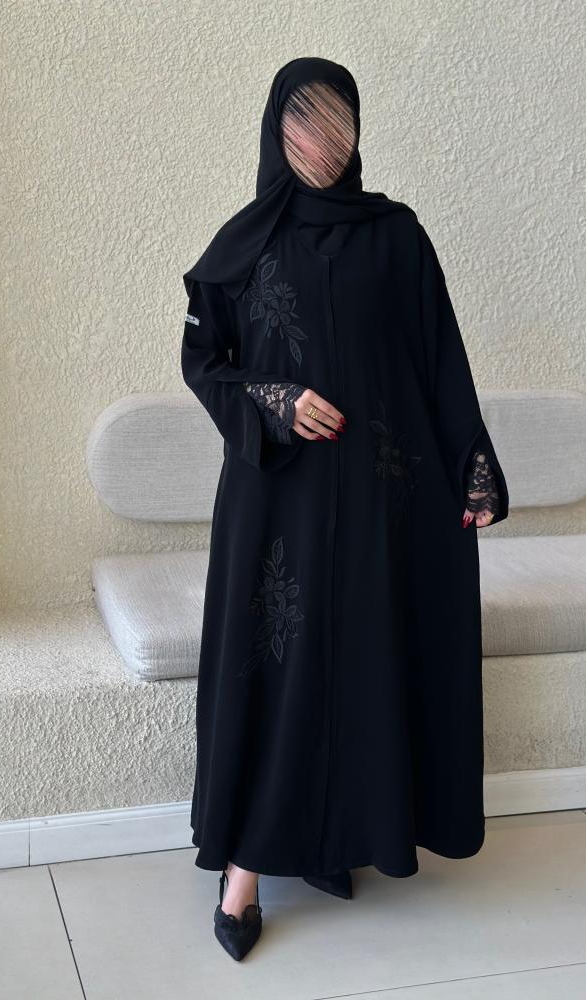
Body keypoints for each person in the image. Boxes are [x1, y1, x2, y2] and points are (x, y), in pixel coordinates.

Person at [181, 56, 508, 961]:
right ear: (273, 130)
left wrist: (472, 468)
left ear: (357, 133)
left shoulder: (397, 237)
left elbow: (439, 359)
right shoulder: (246, 242)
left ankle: (345, 837)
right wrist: (275, 399)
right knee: (279, 679)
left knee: (363, 664)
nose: (320, 140)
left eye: (335, 121)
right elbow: (206, 363)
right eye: (302, 120)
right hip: (275, 503)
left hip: (377, 502)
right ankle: (243, 872)